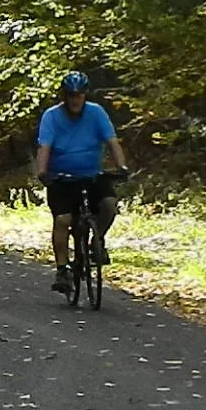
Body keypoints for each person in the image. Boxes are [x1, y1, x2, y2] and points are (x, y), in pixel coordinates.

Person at [35, 70, 130, 294]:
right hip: (62, 178)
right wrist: (43, 172)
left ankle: (97, 241)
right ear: (64, 96)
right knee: (62, 220)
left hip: (92, 174)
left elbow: (112, 141)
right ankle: (62, 269)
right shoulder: (52, 116)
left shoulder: (96, 113)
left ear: (85, 95)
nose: (75, 100)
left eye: (78, 95)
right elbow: (44, 147)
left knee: (109, 206)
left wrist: (121, 166)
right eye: (70, 95)